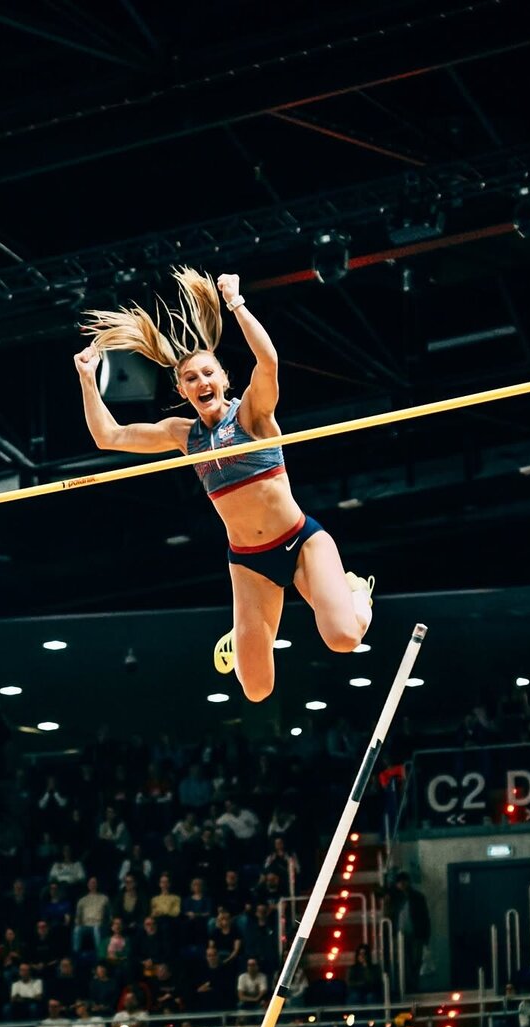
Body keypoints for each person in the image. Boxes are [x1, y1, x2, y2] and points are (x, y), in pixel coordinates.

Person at [75, 267, 374, 702]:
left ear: (224, 378)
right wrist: (87, 378)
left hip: (301, 542)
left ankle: (357, 593)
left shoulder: (251, 414)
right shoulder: (184, 435)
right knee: (256, 690)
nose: (202, 382)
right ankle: (244, 630)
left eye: (208, 373)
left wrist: (236, 302)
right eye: (191, 378)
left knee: (344, 638)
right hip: (248, 563)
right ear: (182, 390)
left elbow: (268, 362)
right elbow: (109, 436)